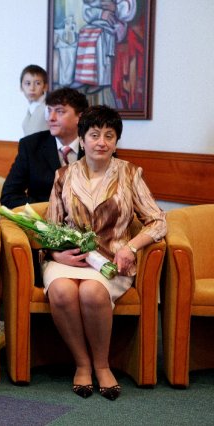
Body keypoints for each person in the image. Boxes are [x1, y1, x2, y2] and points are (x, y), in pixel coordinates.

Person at [42, 105, 166, 400]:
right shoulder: (63, 175)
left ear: (116, 141)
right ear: (82, 139)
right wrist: (56, 255)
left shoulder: (130, 173)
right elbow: (49, 227)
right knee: (61, 291)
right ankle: (82, 364)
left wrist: (131, 247)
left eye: (109, 136)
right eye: (94, 134)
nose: (102, 142)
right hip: (69, 258)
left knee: (92, 292)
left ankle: (102, 365)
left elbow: (158, 221)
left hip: (112, 260)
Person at [1, 87, 89, 209]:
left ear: (80, 117)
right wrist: (48, 210)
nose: (51, 118)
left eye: (60, 111)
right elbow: (9, 196)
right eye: (49, 110)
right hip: (42, 217)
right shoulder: (31, 145)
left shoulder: (95, 146)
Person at [20, 64, 49, 136]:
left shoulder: (48, 108)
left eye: (37, 83)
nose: (32, 88)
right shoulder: (31, 108)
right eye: (28, 83)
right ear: (21, 87)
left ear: (45, 87)